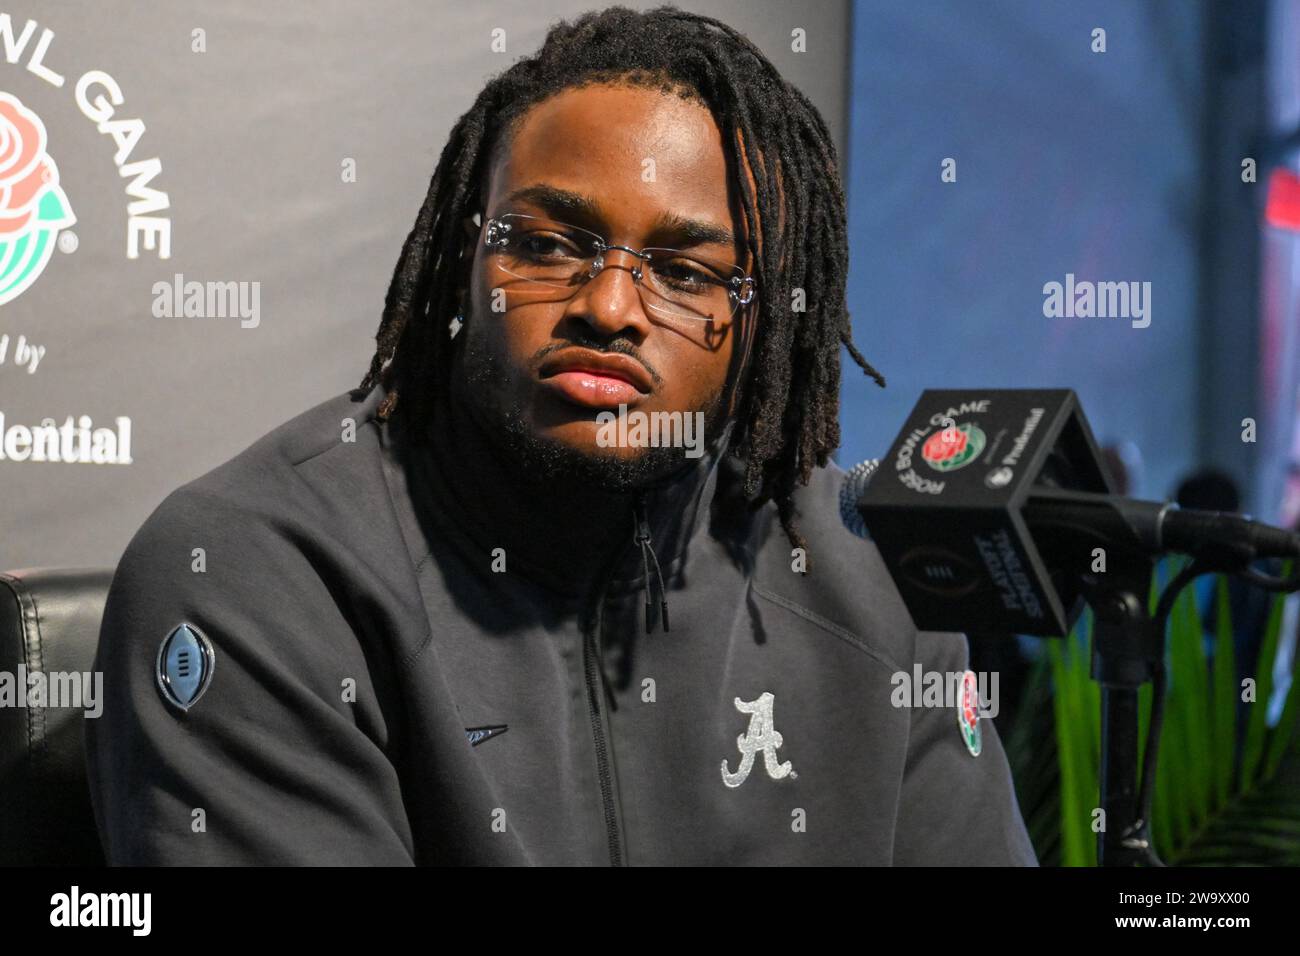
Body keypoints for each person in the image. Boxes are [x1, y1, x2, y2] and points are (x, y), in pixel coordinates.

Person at [86, 5, 1037, 866]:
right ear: (465, 257)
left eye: (686, 271)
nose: (610, 305)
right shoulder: (257, 572)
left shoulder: (867, 577)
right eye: (546, 245)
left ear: (766, 324)